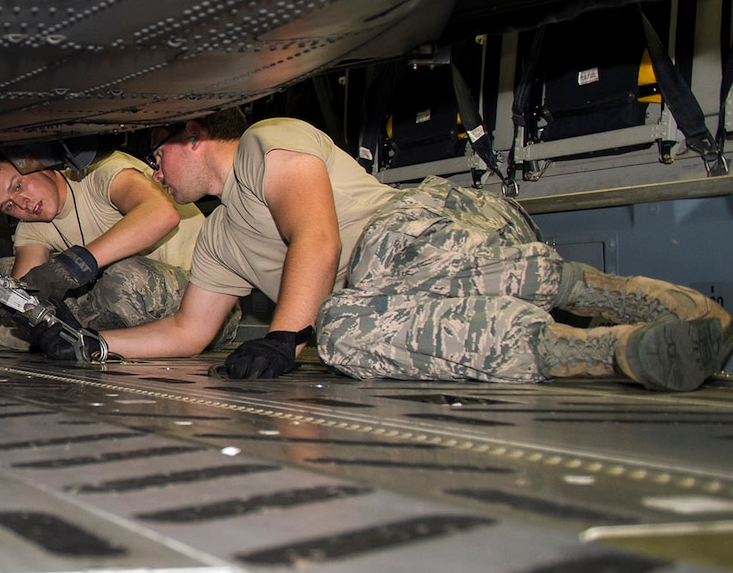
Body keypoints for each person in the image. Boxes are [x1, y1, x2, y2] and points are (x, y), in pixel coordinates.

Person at [95, 109, 733, 391]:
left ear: (195, 136)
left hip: (435, 226)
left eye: (159, 155)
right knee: (344, 333)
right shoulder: (217, 238)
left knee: (371, 263)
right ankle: (610, 353)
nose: (156, 173)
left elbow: (317, 235)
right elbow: (186, 332)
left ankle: (611, 296)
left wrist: (284, 337)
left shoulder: (269, 140)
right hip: (391, 290)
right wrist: (87, 342)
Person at [0, 152, 232, 353]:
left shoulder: (100, 170)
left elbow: (162, 214)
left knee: (124, 277)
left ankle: (78, 338)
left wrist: (74, 266)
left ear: (38, 166)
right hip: (126, 305)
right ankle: (79, 340)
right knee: (4, 309)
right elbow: (27, 295)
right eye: (9, 205)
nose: (22, 204)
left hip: (205, 305)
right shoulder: (32, 226)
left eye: (18, 186)